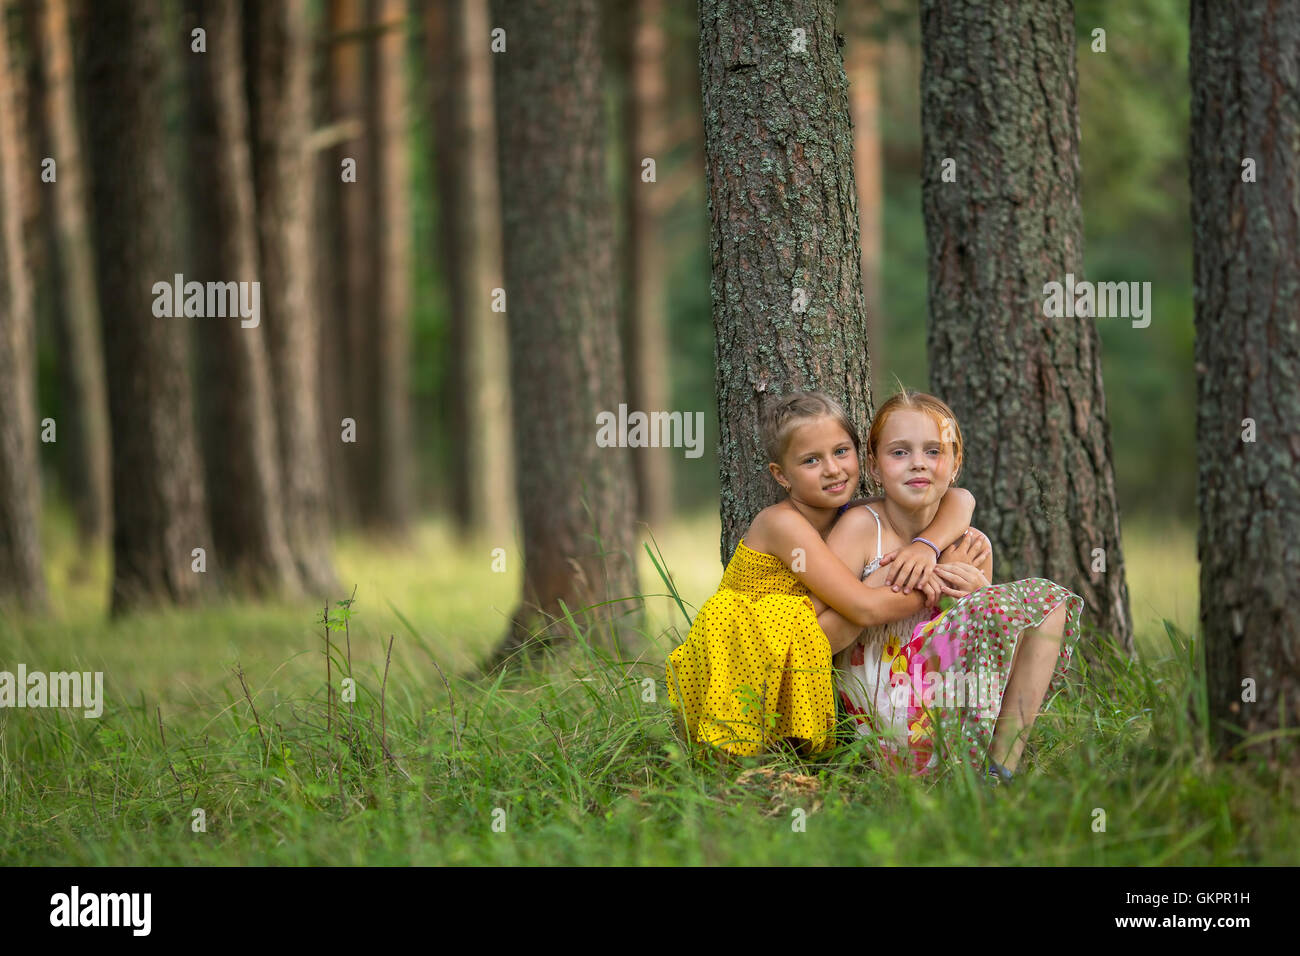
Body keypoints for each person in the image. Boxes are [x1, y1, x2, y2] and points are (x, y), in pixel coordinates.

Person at [664, 390, 982, 758]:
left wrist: (925, 547)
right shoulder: (783, 524)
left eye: (841, 452)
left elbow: (963, 499)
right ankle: (736, 765)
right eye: (811, 460)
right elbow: (862, 609)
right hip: (747, 645)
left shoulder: (851, 514)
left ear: (861, 455)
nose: (832, 469)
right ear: (781, 476)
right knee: (848, 617)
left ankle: (775, 762)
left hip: (797, 638)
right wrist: (933, 576)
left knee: (840, 618)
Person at [813, 389, 1084, 783]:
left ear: (955, 464)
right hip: (883, 706)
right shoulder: (861, 528)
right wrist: (898, 579)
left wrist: (978, 594)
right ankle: (957, 772)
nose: (918, 463)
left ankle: (999, 769)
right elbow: (816, 635)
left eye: (934, 452)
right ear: (873, 465)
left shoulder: (970, 544)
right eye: (900, 452)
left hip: (951, 702)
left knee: (1049, 603)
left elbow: (984, 643)